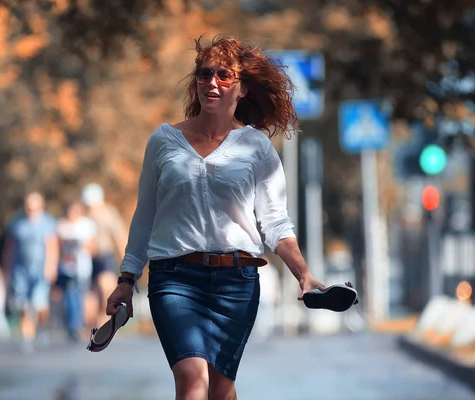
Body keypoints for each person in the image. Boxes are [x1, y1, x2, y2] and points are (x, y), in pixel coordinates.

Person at [106, 34, 325, 400]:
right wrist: (127, 279)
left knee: (221, 389)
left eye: (224, 75)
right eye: (205, 74)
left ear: (241, 89)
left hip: (236, 283)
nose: (212, 83)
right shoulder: (163, 141)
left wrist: (304, 274)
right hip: (175, 280)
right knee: (193, 382)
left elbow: (275, 223)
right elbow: (145, 215)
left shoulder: (257, 147)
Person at [2, 191, 58, 353]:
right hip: (20, 269)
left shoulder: (47, 223)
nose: (29, 211)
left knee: (39, 303)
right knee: (23, 304)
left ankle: (42, 327)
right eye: (27, 208)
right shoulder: (16, 223)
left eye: (33, 208)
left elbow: (52, 246)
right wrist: (7, 268)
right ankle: (27, 337)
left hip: (40, 269)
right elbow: (9, 247)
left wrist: (51, 266)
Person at [81, 183, 128, 327]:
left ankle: (104, 317)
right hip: (87, 258)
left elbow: (119, 236)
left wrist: (126, 261)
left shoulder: (109, 214)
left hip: (105, 255)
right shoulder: (83, 214)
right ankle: (91, 324)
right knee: (89, 294)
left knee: (105, 285)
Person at [55, 200, 97, 341]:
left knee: (79, 296)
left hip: (81, 268)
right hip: (66, 267)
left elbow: (92, 247)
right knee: (68, 295)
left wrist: (80, 246)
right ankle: (71, 325)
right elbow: (57, 245)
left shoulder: (86, 225)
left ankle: (76, 325)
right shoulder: (61, 225)